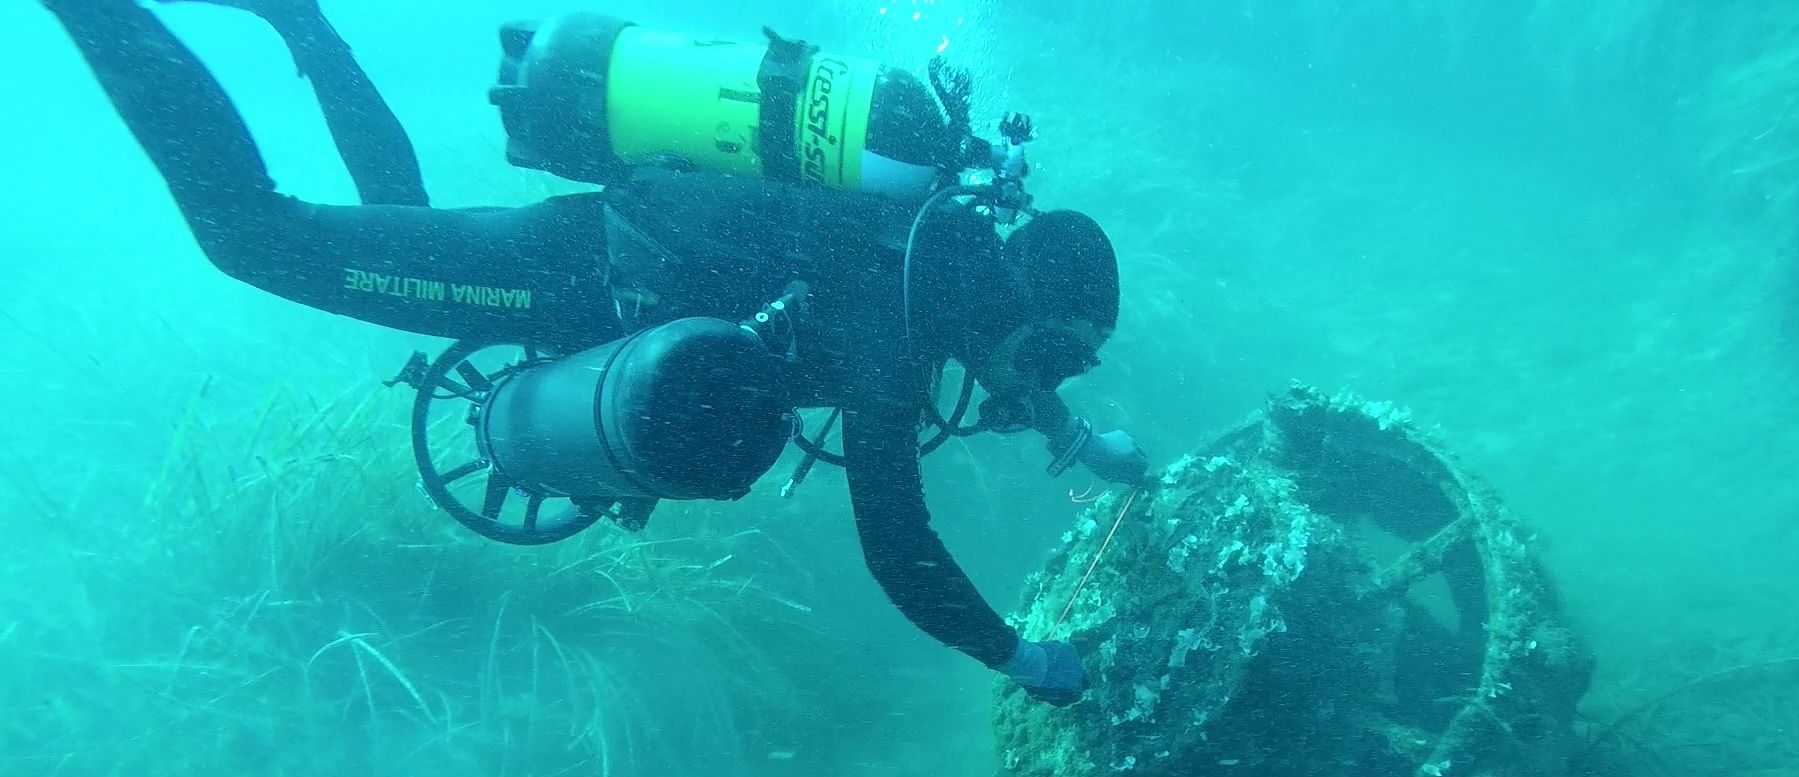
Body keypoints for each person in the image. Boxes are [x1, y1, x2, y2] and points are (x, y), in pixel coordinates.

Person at [39, 0, 1150, 704]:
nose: (1039, 383)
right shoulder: (890, 333)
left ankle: (310, 29)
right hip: (565, 275)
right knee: (255, 238)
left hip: (591, 289)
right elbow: (896, 547)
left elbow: (1006, 353)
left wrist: (1082, 441)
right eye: (1054, 359)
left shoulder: (943, 251)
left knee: (399, 215)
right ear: (1020, 301)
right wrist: (1016, 656)